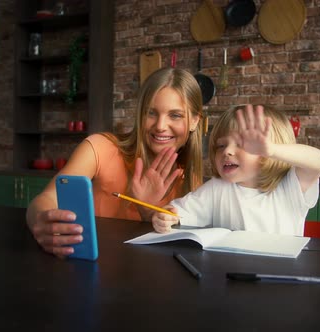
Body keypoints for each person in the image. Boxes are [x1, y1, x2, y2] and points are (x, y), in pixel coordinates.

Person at [26, 68, 204, 257]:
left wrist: (146, 214)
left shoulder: (191, 182)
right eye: (151, 113)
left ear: (194, 121)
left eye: (175, 115)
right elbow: (46, 198)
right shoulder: (100, 148)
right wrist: (42, 221)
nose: (160, 126)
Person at [152, 104, 320, 236]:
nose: (226, 151)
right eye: (220, 145)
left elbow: (319, 161)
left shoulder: (290, 187)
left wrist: (273, 150)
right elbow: (176, 213)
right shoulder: (217, 188)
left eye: (242, 144)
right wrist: (166, 217)